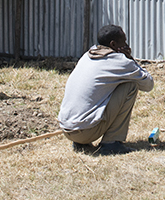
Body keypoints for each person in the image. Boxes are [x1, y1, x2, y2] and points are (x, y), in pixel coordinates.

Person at [58, 24, 155, 155]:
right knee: (130, 86)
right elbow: (148, 84)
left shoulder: (88, 55)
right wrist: (130, 59)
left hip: (67, 129)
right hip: (86, 132)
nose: (127, 45)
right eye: (124, 41)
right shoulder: (120, 61)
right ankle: (112, 143)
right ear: (114, 44)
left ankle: (81, 143)